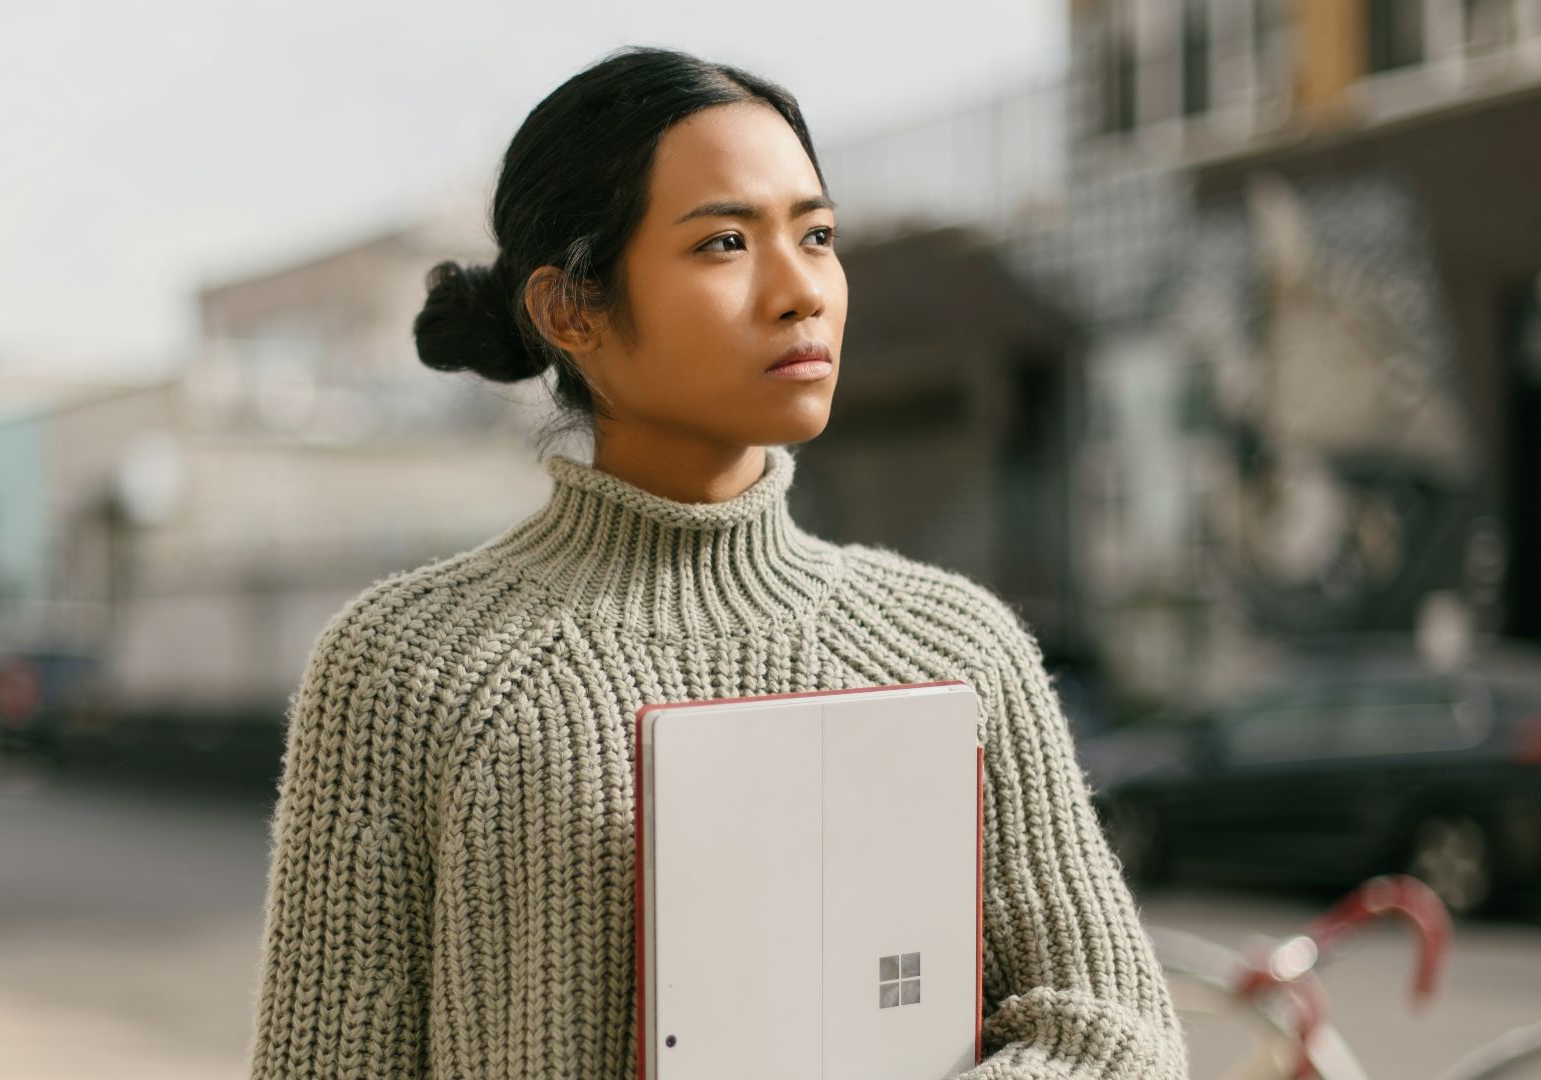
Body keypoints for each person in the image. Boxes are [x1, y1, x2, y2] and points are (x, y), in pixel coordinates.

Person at [245, 45, 1188, 1080]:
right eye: (725, 243)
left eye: (817, 235)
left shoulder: (958, 646)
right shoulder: (404, 669)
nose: (801, 291)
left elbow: (1114, 1034)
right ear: (570, 311)